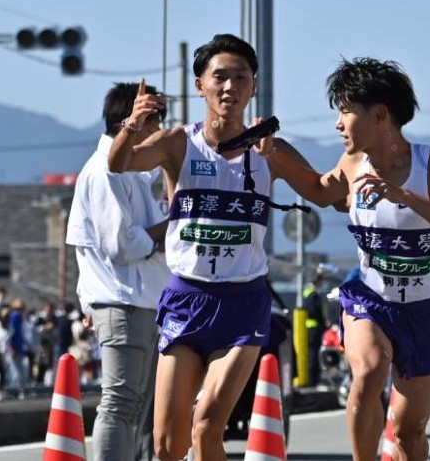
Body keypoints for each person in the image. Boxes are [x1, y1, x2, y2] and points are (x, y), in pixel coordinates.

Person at [106, 34, 316, 460]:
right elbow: (120, 163)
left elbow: (327, 192)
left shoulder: (270, 150)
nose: (230, 87)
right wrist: (132, 123)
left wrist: (365, 157)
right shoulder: (178, 142)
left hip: (243, 301)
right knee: (166, 445)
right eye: (219, 77)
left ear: (253, 87)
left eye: (241, 78)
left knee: (206, 429)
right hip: (187, 296)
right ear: (200, 84)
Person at [264, 57, 430, 460]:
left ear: (380, 114)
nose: (338, 124)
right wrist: (274, 153)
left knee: (408, 433)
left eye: (346, 111)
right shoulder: (352, 164)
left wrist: (406, 198)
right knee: (367, 371)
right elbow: (318, 189)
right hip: (370, 300)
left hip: (425, 311)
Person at [65, 81, 170, 461]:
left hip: (137, 300)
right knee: (121, 402)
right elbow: (122, 245)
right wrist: (173, 226)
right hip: (121, 300)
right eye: (154, 120)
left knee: (132, 406)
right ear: (131, 122)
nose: (160, 131)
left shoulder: (133, 172)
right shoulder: (105, 171)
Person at [303, 272, 327, 386]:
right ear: (317, 281)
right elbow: (315, 312)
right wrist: (323, 324)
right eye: (321, 281)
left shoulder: (308, 293)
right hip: (314, 328)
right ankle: (313, 380)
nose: (323, 283)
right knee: (314, 354)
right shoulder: (313, 295)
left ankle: (312, 379)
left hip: (311, 328)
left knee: (312, 354)